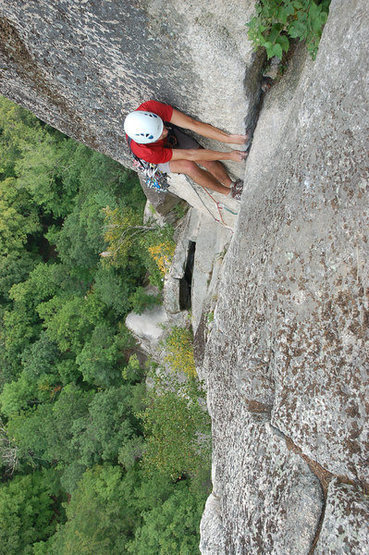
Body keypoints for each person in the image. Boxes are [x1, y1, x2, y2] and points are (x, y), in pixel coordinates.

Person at [124, 100, 248, 200]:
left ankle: (230, 183)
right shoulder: (147, 152)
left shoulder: (150, 108)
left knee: (205, 159)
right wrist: (229, 155)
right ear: (149, 140)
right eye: (160, 133)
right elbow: (190, 155)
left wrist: (229, 139)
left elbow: (192, 124)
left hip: (169, 139)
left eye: (161, 126)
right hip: (157, 157)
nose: (165, 131)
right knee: (188, 167)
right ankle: (228, 192)